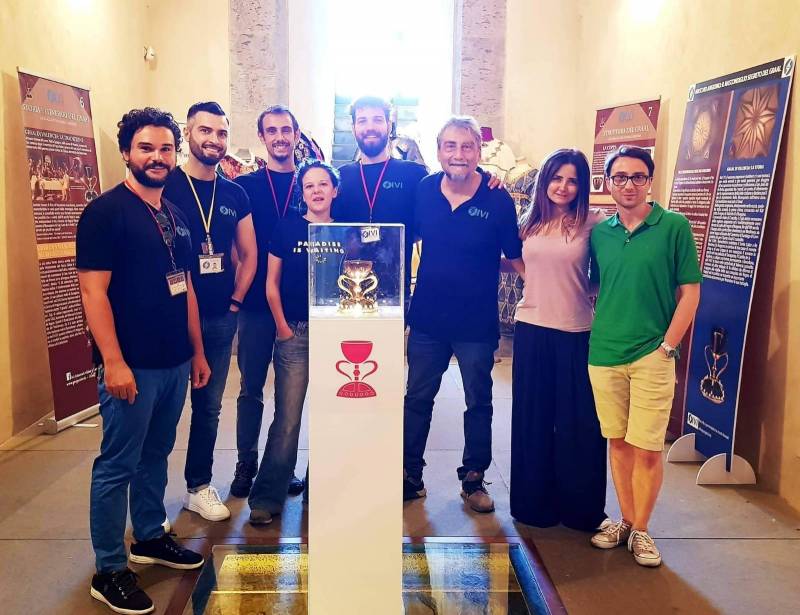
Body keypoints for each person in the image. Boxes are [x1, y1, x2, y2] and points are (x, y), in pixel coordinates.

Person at [77, 107, 210, 615]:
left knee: (156, 455)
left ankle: (149, 536)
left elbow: (187, 287)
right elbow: (94, 292)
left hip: (175, 360)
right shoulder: (105, 213)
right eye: (147, 148)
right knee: (117, 465)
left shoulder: (174, 214)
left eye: (165, 149)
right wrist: (113, 361)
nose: (158, 158)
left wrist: (196, 351)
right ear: (127, 153)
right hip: (130, 365)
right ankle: (110, 568)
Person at [588, 145, 701, 567]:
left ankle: (642, 529)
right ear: (608, 183)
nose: (629, 184)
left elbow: (689, 292)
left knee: (648, 447)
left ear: (649, 180)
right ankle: (626, 519)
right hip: (604, 353)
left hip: (653, 353)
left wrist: (668, 347)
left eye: (637, 176)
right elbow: (596, 288)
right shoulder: (601, 232)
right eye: (620, 177)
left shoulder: (673, 227)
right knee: (617, 441)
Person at [403, 116, 523, 513]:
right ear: (439, 152)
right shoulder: (422, 191)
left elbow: (517, 258)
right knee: (418, 398)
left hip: (475, 323)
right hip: (427, 321)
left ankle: (473, 479)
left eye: (467, 146)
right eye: (450, 146)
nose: (458, 154)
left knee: (478, 401)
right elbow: (402, 240)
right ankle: (409, 475)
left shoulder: (497, 199)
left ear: (478, 152)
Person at [162, 101, 257, 522]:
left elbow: (250, 254)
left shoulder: (235, 193)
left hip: (219, 317)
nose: (214, 140)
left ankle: (198, 486)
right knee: (162, 410)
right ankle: (147, 503)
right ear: (188, 133)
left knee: (209, 406)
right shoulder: (165, 185)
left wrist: (235, 302)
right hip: (167, 317)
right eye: (205, 131)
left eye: (221, 133)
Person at [510, 148, 608, 531]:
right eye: (556, 178)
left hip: (576, 332)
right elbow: (513, 258)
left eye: (572, 180)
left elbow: (601, 274)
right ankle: (534, 504)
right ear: (544, 180)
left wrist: (585, 292)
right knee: (533, 419)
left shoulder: (594, 223)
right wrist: (530, 279)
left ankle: (581, 510)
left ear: (581, 186)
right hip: (532, 329)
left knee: (579, 423)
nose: (563, 187)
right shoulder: (529, 221)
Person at [248, 159, 339, 524]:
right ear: (302, 194)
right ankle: (268, 495)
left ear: (335, 190)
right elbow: (271, 284)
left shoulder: (347, 229)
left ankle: (324, 490)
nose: (316, 191)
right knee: (287, 417)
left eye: (322, 185)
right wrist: (283, 328)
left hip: (335, 335)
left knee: (331, 415)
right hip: (295, 333)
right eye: (309, 187)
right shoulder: (287, 228)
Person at [231, 105, 306, 498]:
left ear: (297, 135)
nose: (280, 137)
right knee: (251, 387)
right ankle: (247, 461)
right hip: (256, 307)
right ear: (262, 137)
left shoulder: (311, 182)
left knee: (290, 394)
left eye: (286, 130)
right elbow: (232, 243)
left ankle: (282, 465)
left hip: (299, 308)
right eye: (272, 131)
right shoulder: (245, 185)